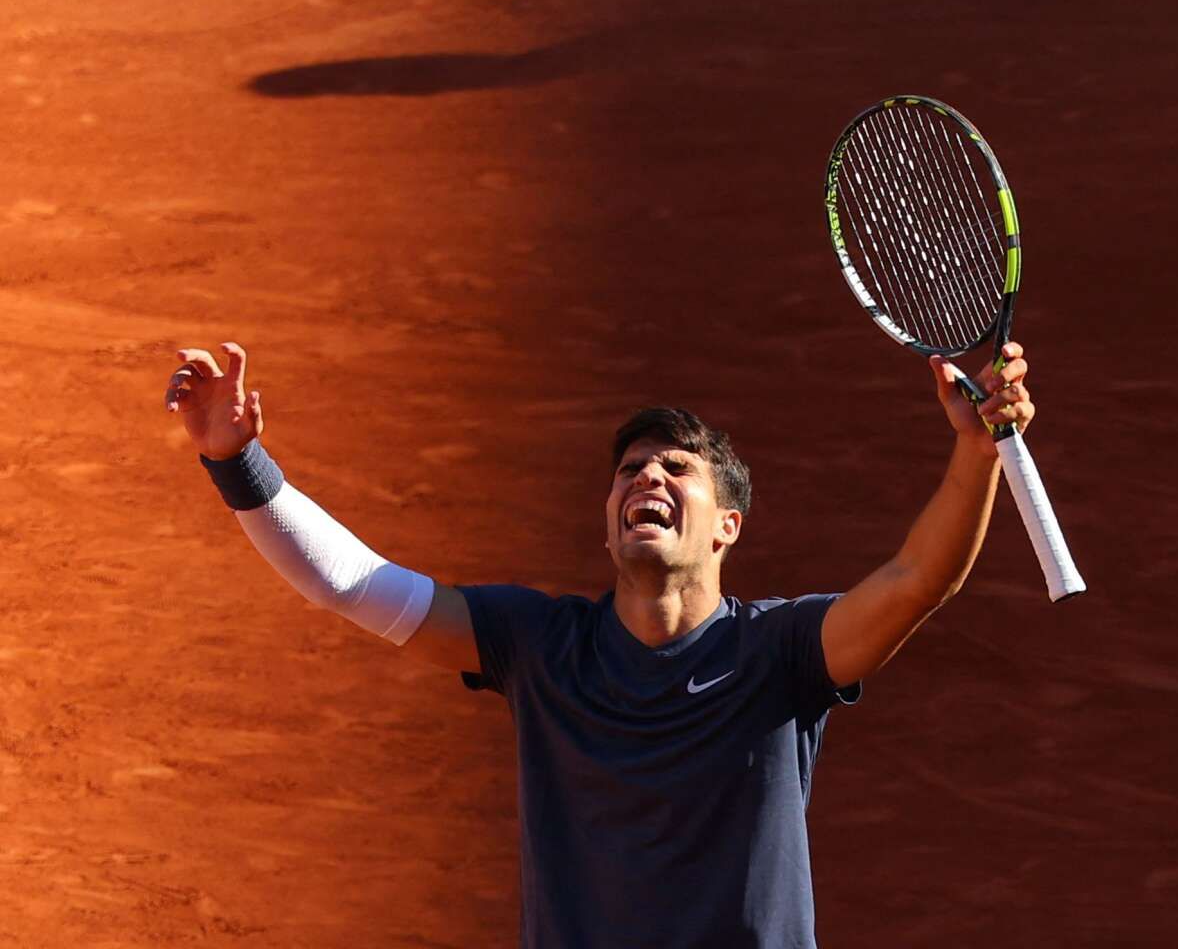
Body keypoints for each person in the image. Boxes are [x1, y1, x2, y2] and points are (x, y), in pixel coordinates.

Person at [163, 340, 1034, 948]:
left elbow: (920, 579)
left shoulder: (783, 653)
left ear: (727, 526)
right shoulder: (539, 647)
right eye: (629, 471)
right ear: (609, 526)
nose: (646, 477)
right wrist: (239, 462)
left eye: (675, 468)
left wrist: (977, 448)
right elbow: (352, 585)